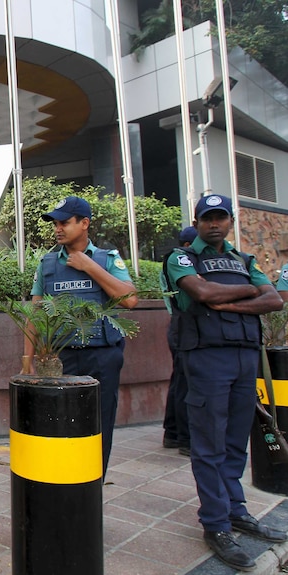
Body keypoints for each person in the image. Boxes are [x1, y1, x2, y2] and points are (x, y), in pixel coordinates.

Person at [164, 194, 285, 571]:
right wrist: (251, 292)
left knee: (236, 441)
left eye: (220, 217)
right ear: (197, 222)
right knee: (209, 443)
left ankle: (236, 510)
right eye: (207, 218)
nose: (214, 223)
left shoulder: (244, 260)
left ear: (230, 220)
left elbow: (275, 300)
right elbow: (201, 293)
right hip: (207, 358)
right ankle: (215, 523)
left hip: (244, 358)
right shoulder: (181, 258)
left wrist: (229, 301)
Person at [24, 196, 138, 475]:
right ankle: (63, 482)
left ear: (84, 223)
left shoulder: (107, 259)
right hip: (60, 359)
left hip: (101, 357)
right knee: (59, 424)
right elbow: (35, 313)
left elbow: (130, 299)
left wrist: (90, 267)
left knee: (99, 425)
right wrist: (27, 359)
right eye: (55, 224)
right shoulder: (47, 264)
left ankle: (92, 486)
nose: (58, 228)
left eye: (65, 222)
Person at [161, 226, 197, 455]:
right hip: (182, 325)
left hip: (179, 325)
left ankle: (173, 432)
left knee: (179, 380)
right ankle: (184, 437)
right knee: (185, 381)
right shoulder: (178, 261)